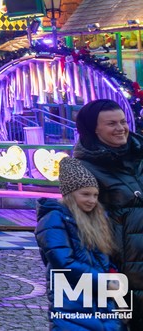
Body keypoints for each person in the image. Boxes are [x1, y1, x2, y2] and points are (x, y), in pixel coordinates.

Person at [73, 99, 143, 326]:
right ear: (93, 129)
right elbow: (81, 228)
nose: (121, 128)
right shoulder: (82, 170)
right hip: (122, 273)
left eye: (123, 122)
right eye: (111, 123)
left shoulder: (139, 157)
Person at [36, 157, 123, 330]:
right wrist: (104, 282)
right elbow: (64, 262)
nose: (92, 200)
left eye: (95, 195)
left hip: (99, 298)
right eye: (85, 194)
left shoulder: (96, 219)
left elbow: (103, 257)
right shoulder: (53, 219)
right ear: (69, 194)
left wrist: (113, 274)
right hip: (71, 299)